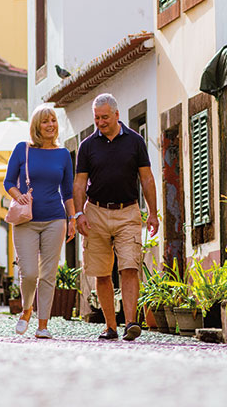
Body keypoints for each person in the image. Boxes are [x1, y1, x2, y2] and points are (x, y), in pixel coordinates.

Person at [73, 93, 159, 341]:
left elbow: (147, 178)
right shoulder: (87, 145)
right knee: (101, 272)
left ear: (117, 115)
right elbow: (79, 184)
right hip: (96, 212)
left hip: (128, 211)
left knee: (129, 266)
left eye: (105, 117)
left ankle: (130, 322)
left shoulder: (135, 141)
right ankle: (110, 325)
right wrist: (79, 214)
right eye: (97, 118)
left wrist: (152, 213)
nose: (100, 122)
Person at [4, 105, 75, 339]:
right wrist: (18, 195)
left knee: (48, 274)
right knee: (30, 272)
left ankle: (42, 325)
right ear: (37, 125)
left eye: (53, 120)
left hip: (55, 218)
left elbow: (67, 192)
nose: (50, 125)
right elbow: (8, 182)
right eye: (45, 121)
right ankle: (27, 309)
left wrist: (72, 218)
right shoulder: (22, 149)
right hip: (26, 220)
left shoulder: (63, 154)